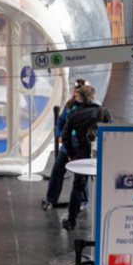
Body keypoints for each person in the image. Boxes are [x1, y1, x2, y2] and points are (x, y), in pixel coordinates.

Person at [60, 85, 113, 231]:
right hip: (103, 156)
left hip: (83, 156)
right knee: (107, 187)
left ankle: (71, 221)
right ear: (94, 96)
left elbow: (64, 136)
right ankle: (108, 222)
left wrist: (71, 154)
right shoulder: (104, 112)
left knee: (78, 187)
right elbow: (113, 136)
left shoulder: (74, 114)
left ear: (80, 98)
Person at [42, 79, 89, 211]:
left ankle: (82, 202)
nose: (77, 93)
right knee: (57, 171)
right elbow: (61, 121)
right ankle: (51, 200)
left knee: (81, 176)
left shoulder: (89, 108)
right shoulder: (69, 105)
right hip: (66, 146)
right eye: (76, 90)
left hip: (80, 146)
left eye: (80, 91)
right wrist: (59, 136)